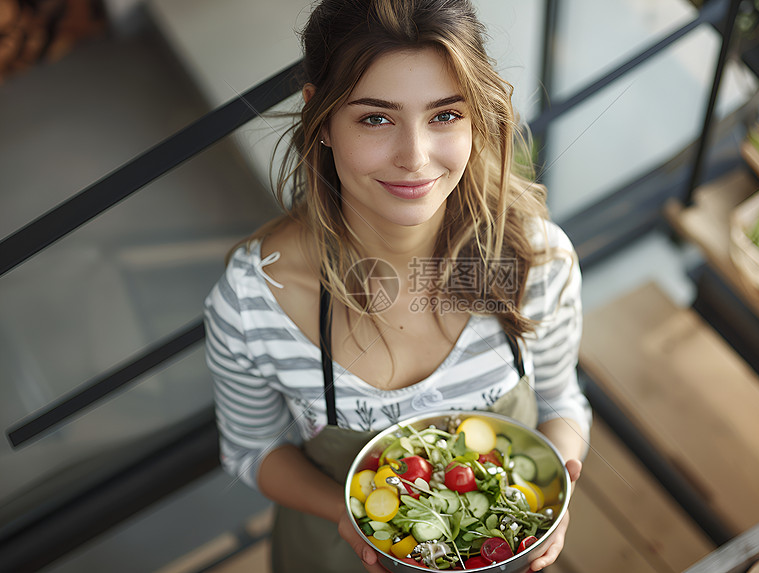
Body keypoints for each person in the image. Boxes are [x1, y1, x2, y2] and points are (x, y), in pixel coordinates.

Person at [203, 0, 592, 571]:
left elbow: (561, 401)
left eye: (444, 115)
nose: (414, 158)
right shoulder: (251, 303)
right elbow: (253, 450)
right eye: (376, 118)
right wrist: (343, 512)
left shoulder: (537, 260)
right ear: (322, 119)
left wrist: (555, 488)